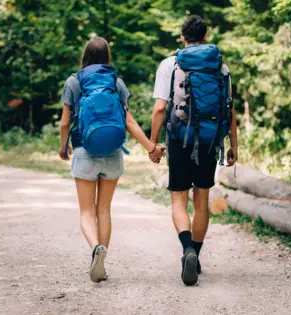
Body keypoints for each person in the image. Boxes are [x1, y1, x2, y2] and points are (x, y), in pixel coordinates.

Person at [58, 37, 164, 283]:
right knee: (103, 209)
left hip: (84, 151)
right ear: (108, 57)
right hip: (113, 154)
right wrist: (151, 147)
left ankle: (96, 249)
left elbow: (65, 122)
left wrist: (64, 148)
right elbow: (129, 122)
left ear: (85, 55)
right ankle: (101, 260)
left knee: (86, 211)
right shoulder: (116, 82)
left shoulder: (74, 81)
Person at [149, 16, 238, 286]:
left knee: (178, 198)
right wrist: (234, 145)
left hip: (179, 138)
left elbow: (160, 109)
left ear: (182, 37)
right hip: (210, 140)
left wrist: (154, 143)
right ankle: (196, 256)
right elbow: (229, 109)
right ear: (206, 36)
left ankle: (187, 249)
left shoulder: (170, 64)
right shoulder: (220, 67)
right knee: (202, 198)